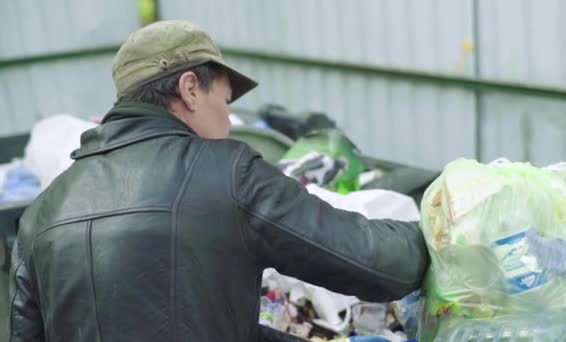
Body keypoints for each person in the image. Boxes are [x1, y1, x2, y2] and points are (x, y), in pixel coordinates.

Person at [8, 20, 429, 342]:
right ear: (190, 89)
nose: (228, 119)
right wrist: (438, 230)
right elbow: (372, 262)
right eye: (224, 101)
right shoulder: (227, 172)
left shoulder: (43, 211)